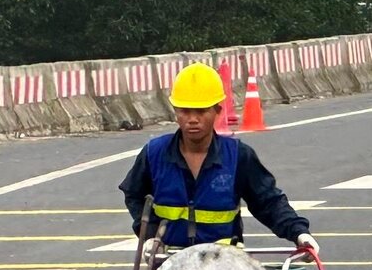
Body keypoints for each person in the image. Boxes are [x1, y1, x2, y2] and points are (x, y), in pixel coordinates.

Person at [117, 63, 316, 252]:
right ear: (175, 112)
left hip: (224, 267)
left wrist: (299, 233)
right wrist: (150, 235)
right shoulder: (154, 153)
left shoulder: (238, 156)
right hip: (168, 265)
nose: (193, 119)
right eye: (185, 111)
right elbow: (134, 195)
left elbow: (268, 202)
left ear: (217, 111)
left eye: (202, 111)